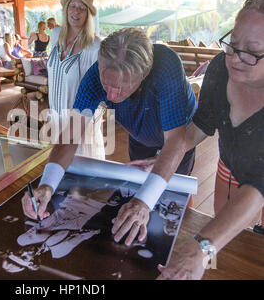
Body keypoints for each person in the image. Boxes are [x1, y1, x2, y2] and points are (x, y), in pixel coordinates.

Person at [22, 27, 197, 247]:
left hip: (180, 136)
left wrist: (144, 202)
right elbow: (70, 136)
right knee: (137, 189)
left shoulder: (166, 66)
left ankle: (183, 237)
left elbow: (176, 142)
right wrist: (47, 185)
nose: (111, 96)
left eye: (120, 88)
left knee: (175, 195)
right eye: (106, 85)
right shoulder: (95, 76)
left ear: (143, 74)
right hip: (140, 132)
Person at [157, 0, 264, 280]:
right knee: (223, 232)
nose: (235, 58)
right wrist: (162, 164)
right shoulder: (219, 68)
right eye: (233, 42)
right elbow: (199, 128)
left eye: (252, 52)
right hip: (231, 163)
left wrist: (200, 247)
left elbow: (259, 186)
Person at [47, 0, 105, 159]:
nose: (76, 12)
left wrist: (87, 123)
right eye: (72, 6)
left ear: (88, 14)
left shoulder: (94, 46)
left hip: (79, 120)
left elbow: (99, 88)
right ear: (66, 9)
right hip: (56, 116)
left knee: (81, 168)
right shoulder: (56, 34)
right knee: (58, 167)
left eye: (82, 8)